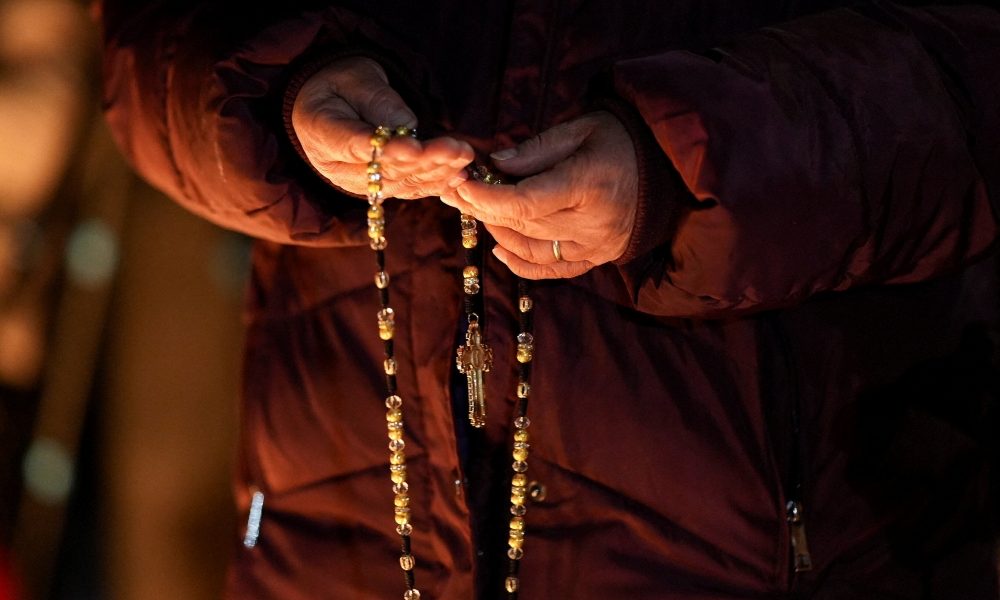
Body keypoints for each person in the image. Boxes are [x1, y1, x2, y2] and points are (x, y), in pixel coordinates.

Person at [98, 1, 1000, 598]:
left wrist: (700, 163)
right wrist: (275, 99)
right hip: (339, 538)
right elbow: (149, 48)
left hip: (773, 539)